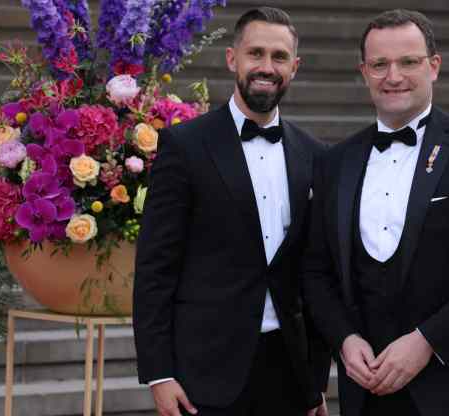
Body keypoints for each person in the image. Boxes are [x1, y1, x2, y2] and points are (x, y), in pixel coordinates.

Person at [301, 9, 449, 416]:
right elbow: (316, 271)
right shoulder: (333, 162)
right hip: (369, 392)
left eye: (408, 62)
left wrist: (427, 340)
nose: (393, 76)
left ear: (434, 66)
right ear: (364, 72)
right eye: (380, 64)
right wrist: (343, 339)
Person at [133, 6, 329, 416]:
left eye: (279, 57)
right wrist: (159, 373)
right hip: (202, 373)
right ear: (232, 59)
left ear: (295, 67)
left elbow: (314, 276)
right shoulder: (185, 146)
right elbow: (155, 267)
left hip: (288, 373)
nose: (266, 66)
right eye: (255, 53)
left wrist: (315, 382)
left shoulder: (315, 155)